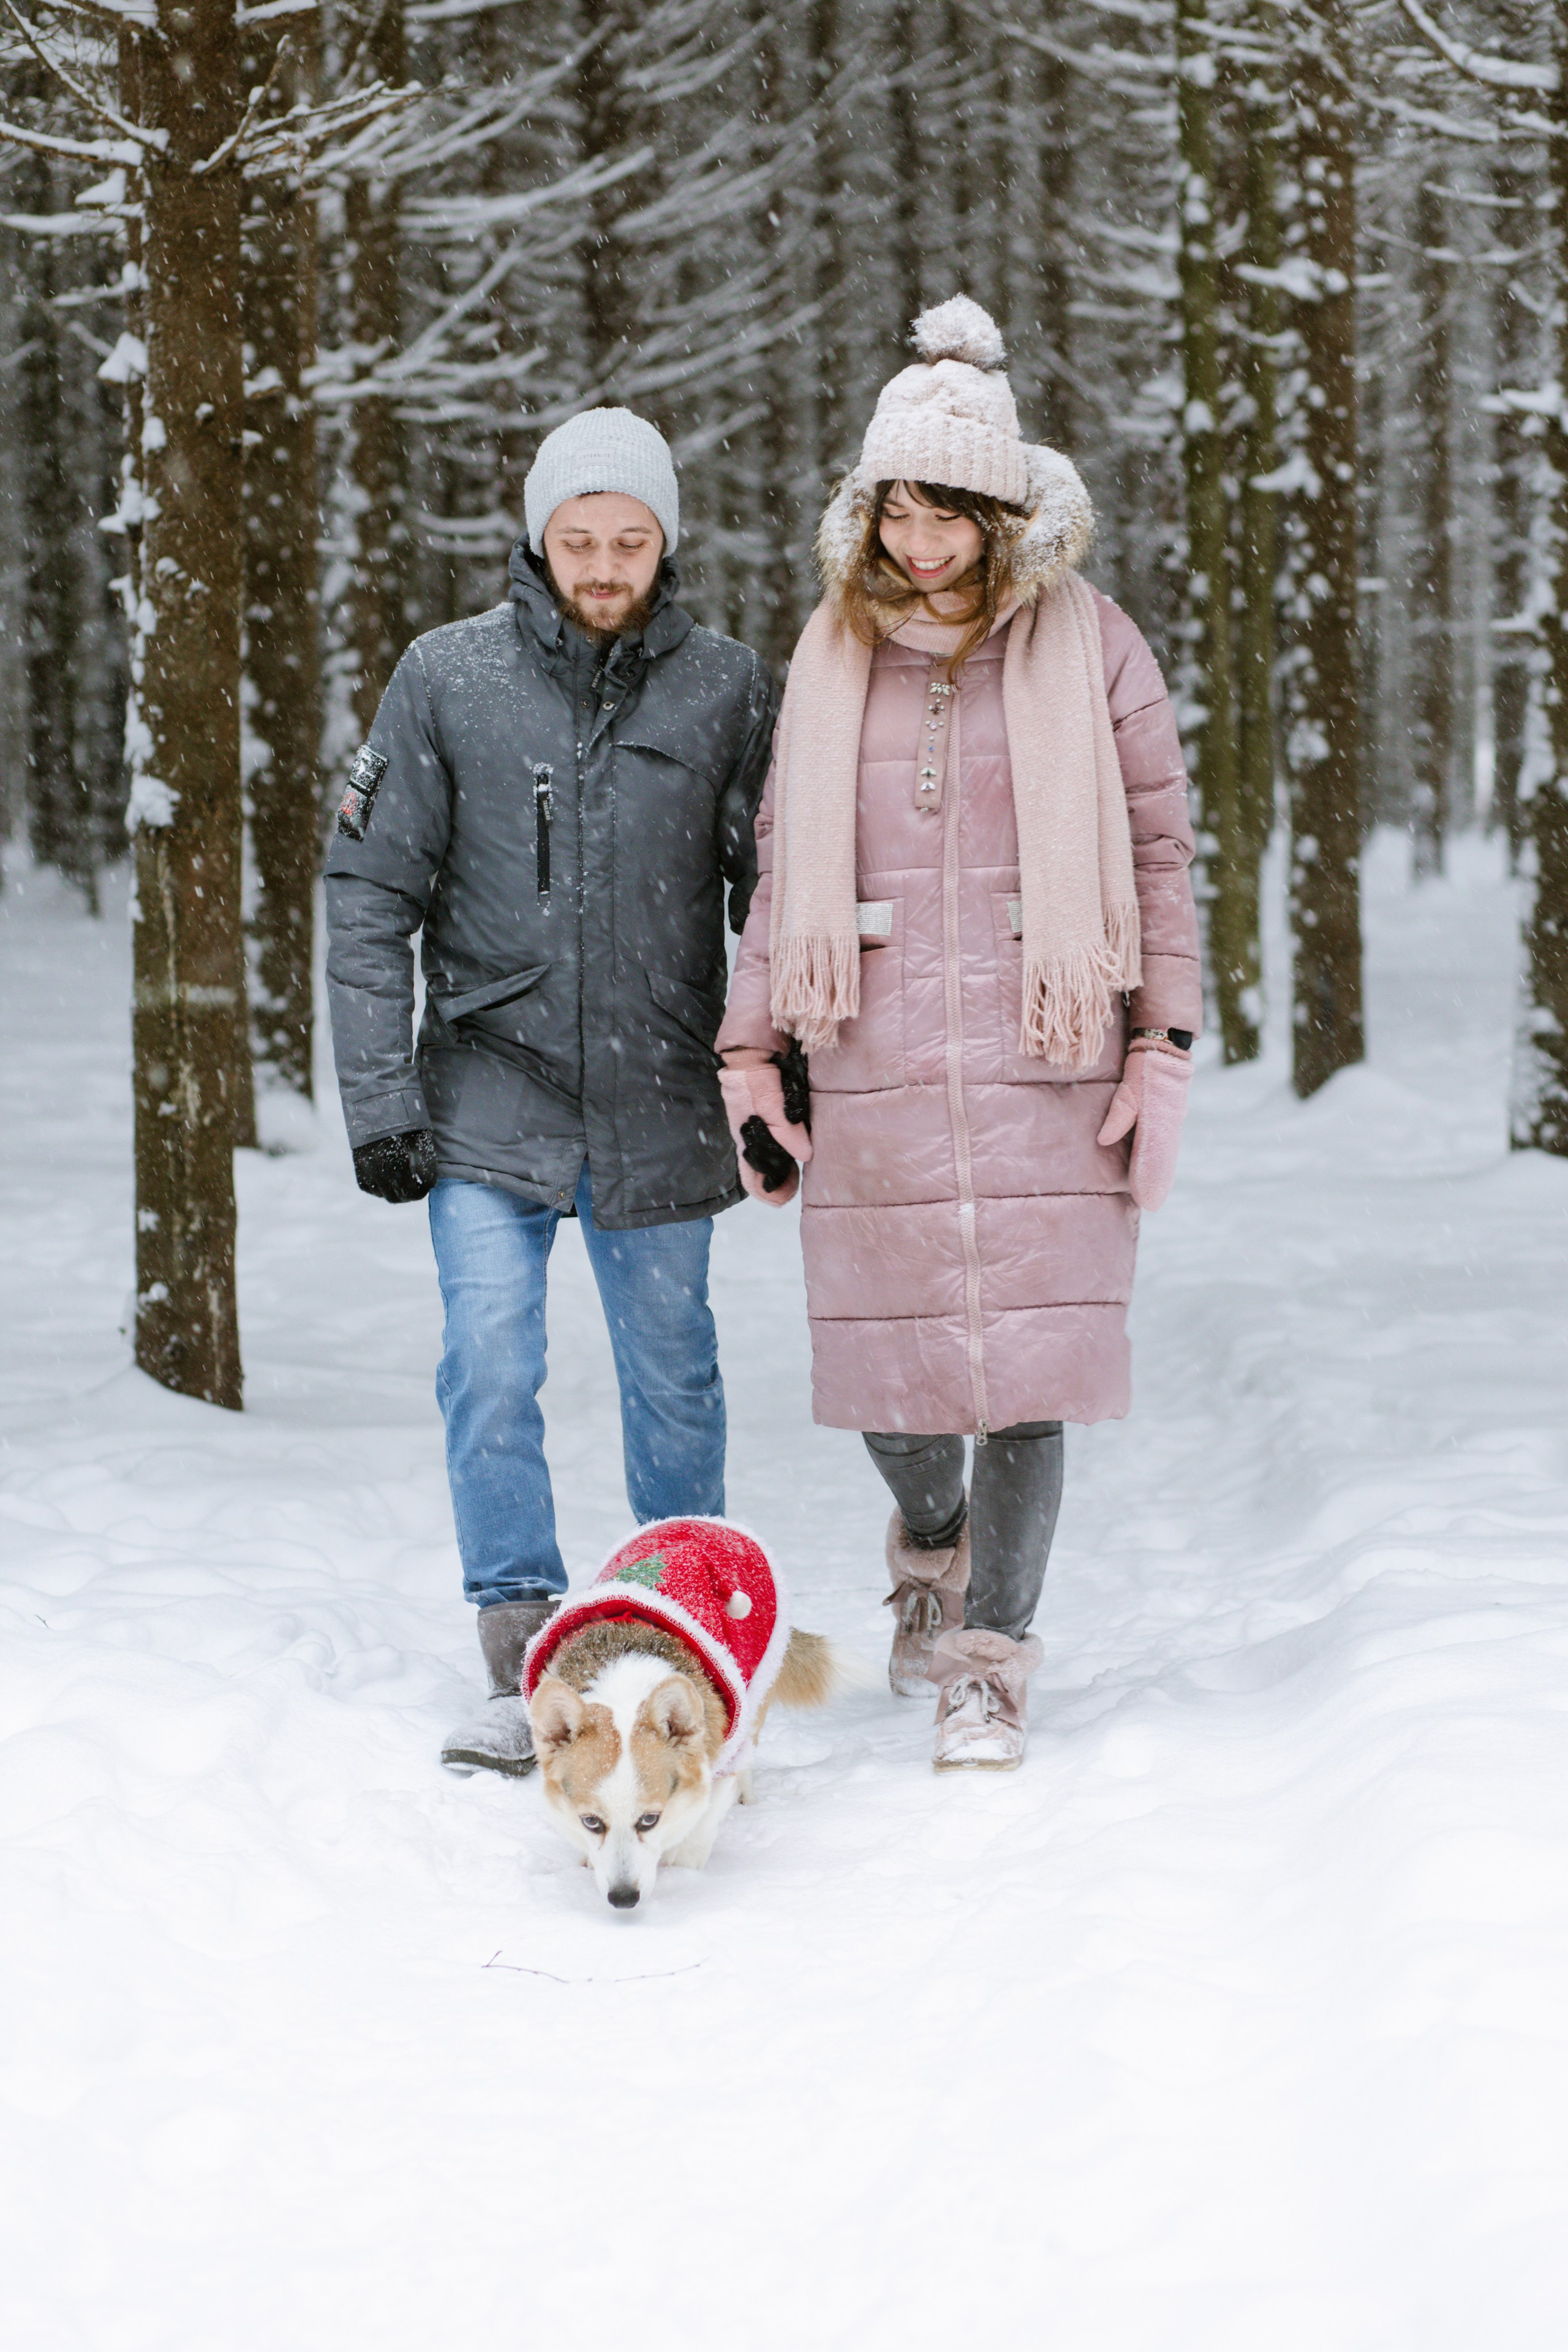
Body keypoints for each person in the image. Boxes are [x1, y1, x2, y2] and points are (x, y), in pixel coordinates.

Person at [714, 297, 1200, 1772]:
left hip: (1047, 1047)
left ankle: (988, 1660)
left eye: (951, 517)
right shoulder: (826, 656)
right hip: (868, 1052)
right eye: (900, 515)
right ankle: (929, 1538)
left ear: (1002, 511)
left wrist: (1160, 1044)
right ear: (868, 512)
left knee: (1027, 1383)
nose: (923, 547)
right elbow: (784, 869)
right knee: (900, 1383)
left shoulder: (1092, 644)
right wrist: (749, 1057)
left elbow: (1162, 852)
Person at [325, 407, 777, 1777]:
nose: (600, 564)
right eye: (576, 539)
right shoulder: (445, 679)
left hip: (658, 1094)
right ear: (535, 535)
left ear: (664, 543)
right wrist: (380, 1099)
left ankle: (674, 1633)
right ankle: (522, 1643)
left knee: (674, 1381)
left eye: (627, 540)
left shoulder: (725, 687)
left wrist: (782, 1070)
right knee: (491, 1365)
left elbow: (777, 902)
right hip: (487, 1094)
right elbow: (367, 895)